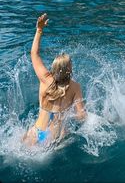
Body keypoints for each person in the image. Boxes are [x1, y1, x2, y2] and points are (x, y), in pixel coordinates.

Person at [23, 14, 86, 146]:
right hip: (52, 138)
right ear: (70, 69)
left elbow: (34, 53)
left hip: (35, 133)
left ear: (54, 67)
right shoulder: (75, 87)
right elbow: (81, 116)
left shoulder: (45, 79)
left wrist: (39, 30)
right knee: (66, 133)